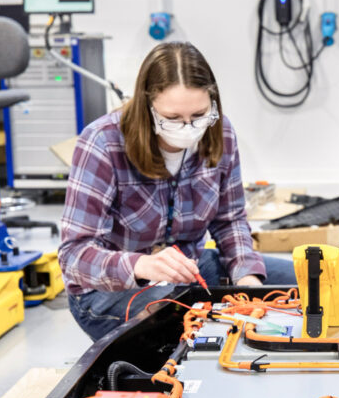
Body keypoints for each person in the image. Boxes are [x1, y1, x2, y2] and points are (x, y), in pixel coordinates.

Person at [59, 41, 295, 341]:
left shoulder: (220, 132)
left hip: (189, 271)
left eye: (199, 115)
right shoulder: (102, 143)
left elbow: (229, 221)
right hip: (108, 290)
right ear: (147, 106)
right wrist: (142, 265)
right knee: (181, 315)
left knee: (298, 284)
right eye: (172, 119)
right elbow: (74, 255)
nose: (188, 127)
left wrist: (246, 279)